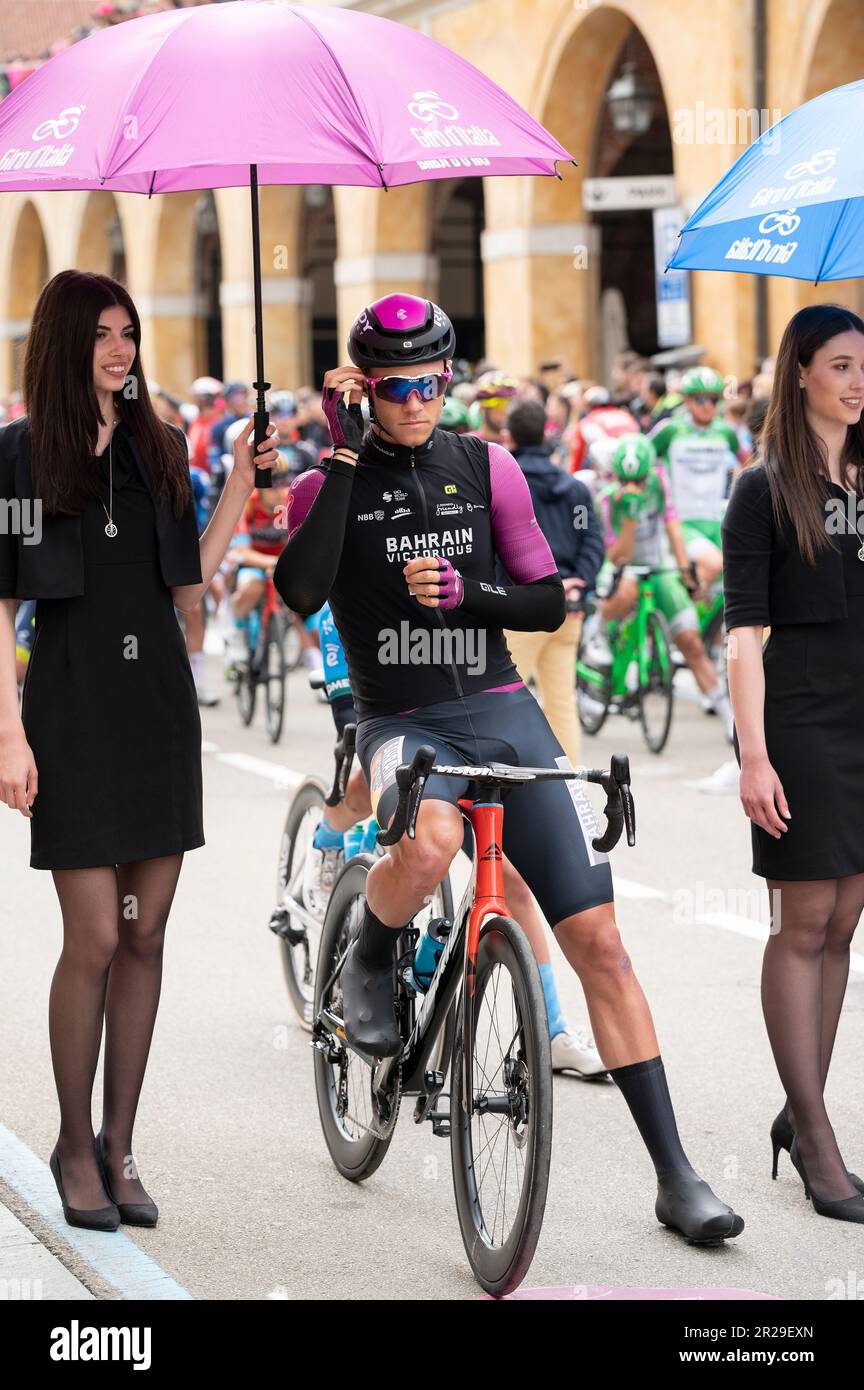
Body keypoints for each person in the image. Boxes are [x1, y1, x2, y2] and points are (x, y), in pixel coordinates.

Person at [273, 291, 744, 1243]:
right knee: (435, 830)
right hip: (397, 713)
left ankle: (677, 1174)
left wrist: (467, 590)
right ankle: (369, 950)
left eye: (431, 382)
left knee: (603, 943)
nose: (415, 400)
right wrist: (341, 455)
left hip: (502, 711)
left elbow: (546, 604)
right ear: (366, 389)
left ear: (451, 378)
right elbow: (298, 590)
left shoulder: (487, 467)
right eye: (394, 386)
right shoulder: (333, 480)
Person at [0, 270, 279, 1232]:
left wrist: (240, 477)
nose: (121, 349)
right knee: (98, 936)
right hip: (70, 712)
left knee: (148, 931)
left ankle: (121, 1146)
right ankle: (73, 1144)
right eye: (103, 334)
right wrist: (7, 730)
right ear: (65, 342)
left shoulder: (159, 449)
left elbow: (190, 574)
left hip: (158, 707)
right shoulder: (20, 457)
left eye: (129, 332)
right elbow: (1, 602)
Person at [723, 303, 864, 1224]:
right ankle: (816, 1140)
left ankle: (797, 1104)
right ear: (802, 372)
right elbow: (742, 638)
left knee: (847, 919)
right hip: (802, 719)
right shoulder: (762, 488)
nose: (858, 381)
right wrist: (753, 756)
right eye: (842, 365)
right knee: (804, 921)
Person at [586, 434, 733, 739]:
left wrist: (685, 569)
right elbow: (617, 555)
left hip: (658, 565)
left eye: (639, 479)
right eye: (627, 480)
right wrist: (629, 518)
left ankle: (729, 720)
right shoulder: (607, 501)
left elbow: (674, 528)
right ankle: (597, 631)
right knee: (626, 591)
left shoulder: (659, 484)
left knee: (691, 642)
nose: (634, 487)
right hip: (623, 568)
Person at [498, 397, 604, 768]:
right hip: (568, 606)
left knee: (499, 701)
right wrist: (580, 582)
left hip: (521, 604)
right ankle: (571, 789)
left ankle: (500, 788)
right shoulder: (573, 490)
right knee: (562, 704)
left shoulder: (506, 484)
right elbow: (588, 537)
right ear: (546, 432)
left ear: (509, 435)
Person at [649, 366, 746, 593]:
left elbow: (749, 462)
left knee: (741, 572)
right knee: (713, 564)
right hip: (682, 521)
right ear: (687, 400)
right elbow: (644, 457)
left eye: (713, 399)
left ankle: (708, 625)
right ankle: (686, 618)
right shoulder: (670, 430)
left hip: (716, 519)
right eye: (701, 399)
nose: (708, 406)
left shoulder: (726, 432)